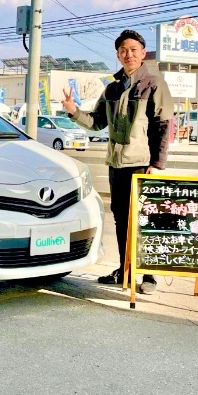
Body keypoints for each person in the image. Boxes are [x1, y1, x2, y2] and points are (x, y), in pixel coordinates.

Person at [62, 29, 173, 294]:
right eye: (123, 50)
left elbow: (163, 124)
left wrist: (157, 164)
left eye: (133, 50)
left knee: (144, 220)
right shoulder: (112, 87)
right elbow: (97, 122)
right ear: (118, 54)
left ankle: (148, 275)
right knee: (121, 219)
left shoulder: (154, 84)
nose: (128, 54)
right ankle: (125, 269)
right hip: (117, 165)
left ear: (142, 53)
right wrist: (74, 111)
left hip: (142, 164)